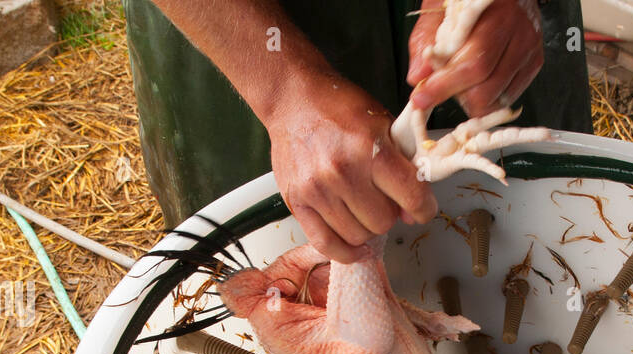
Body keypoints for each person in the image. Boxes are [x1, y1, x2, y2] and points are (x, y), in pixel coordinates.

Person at [125, 0, 591, 262]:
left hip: (490, 18)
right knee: (288, 283)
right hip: (241, 29)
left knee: (539, 249)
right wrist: (282, 90)